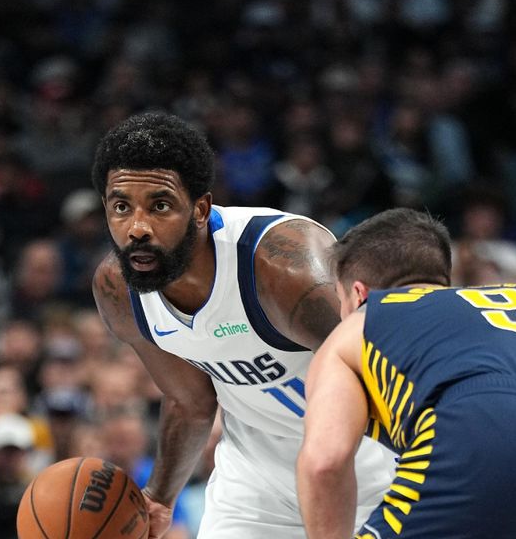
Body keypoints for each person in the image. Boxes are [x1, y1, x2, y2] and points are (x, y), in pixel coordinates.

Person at [91, 112, 393, 539]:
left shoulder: (284, 268)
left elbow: (395, 370)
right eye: (121, 207)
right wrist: (159, 496)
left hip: (367, 474)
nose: (137, 228)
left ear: (200, 209)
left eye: (160, 205)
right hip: (254, 488)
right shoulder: (117, 289)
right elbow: (190, 401)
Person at [297, 207, 516, 539]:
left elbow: (325, 462)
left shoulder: (362, 322)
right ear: (445, 279)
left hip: (476, 437)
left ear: (358, 293)